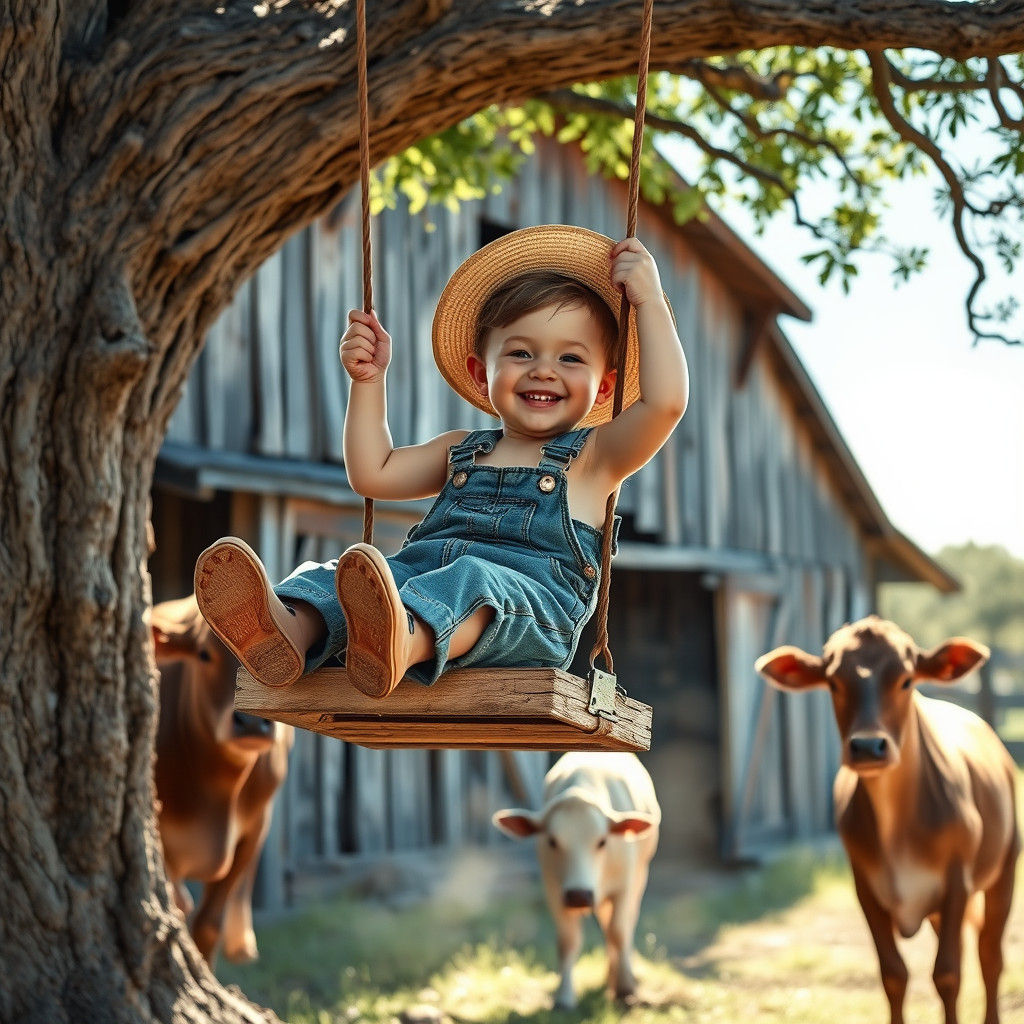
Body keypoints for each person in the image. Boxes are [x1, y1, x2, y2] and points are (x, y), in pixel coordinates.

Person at [194, 225, 688, 699]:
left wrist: (647, 299)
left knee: (471, 579)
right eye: (520, 352)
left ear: (605, 386)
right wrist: (368, 383)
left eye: (571, 359)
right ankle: (288, 635)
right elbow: (373, 471)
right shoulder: (462, 449)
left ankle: (400, 644)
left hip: (528, 617)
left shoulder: (594, 459)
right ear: (480, 375)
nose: (543, 369)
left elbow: (665, 403)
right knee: (345, 577)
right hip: (414, 593)